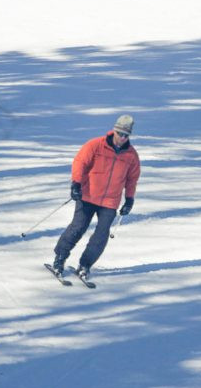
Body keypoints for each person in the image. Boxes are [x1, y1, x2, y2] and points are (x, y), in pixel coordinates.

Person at [52, 114, 141, 279]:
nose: (122, 137)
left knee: (101, 234)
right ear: (114, 130)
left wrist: (129, 199)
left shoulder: (131, 156)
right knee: (78, 227)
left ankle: (85, 265)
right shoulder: (96, 145)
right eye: (120, 133)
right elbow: (80, 162)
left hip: (110, 201)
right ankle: (60, 258)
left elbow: (132, 180)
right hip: (87, 195)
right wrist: (76, 183)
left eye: (126, 135)